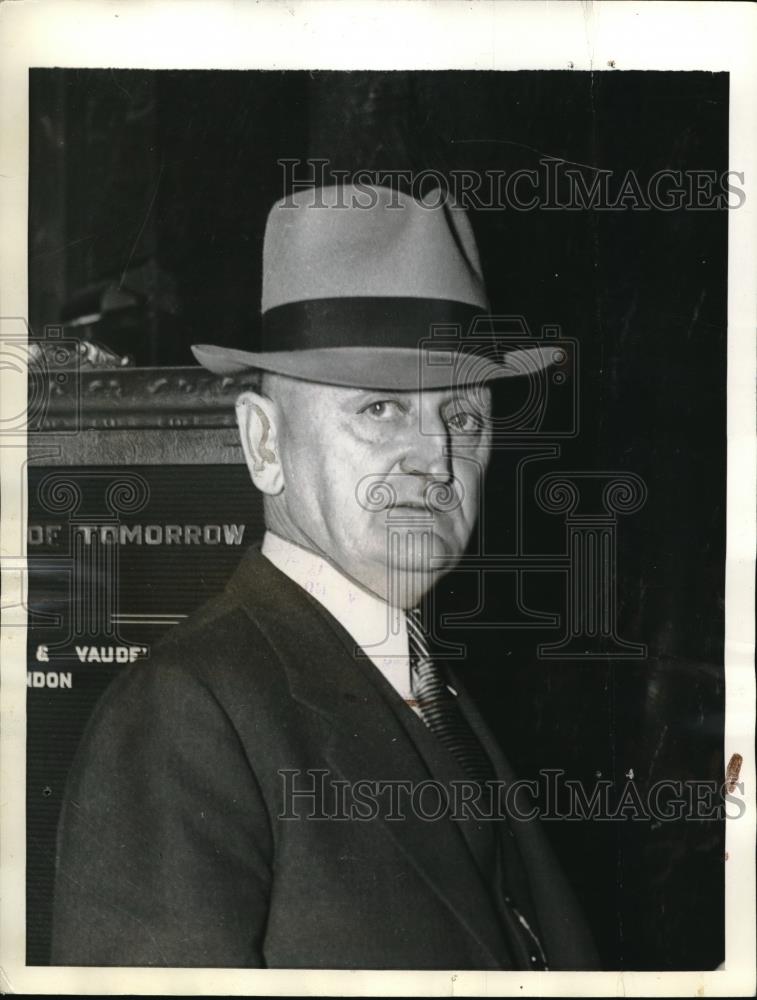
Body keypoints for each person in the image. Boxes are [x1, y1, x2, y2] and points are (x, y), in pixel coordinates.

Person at [51, 184, 599, 970]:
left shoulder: (432, 691)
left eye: (464, 417)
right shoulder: (187, 722)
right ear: (263, 444)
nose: (436, 457)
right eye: (379, 409)